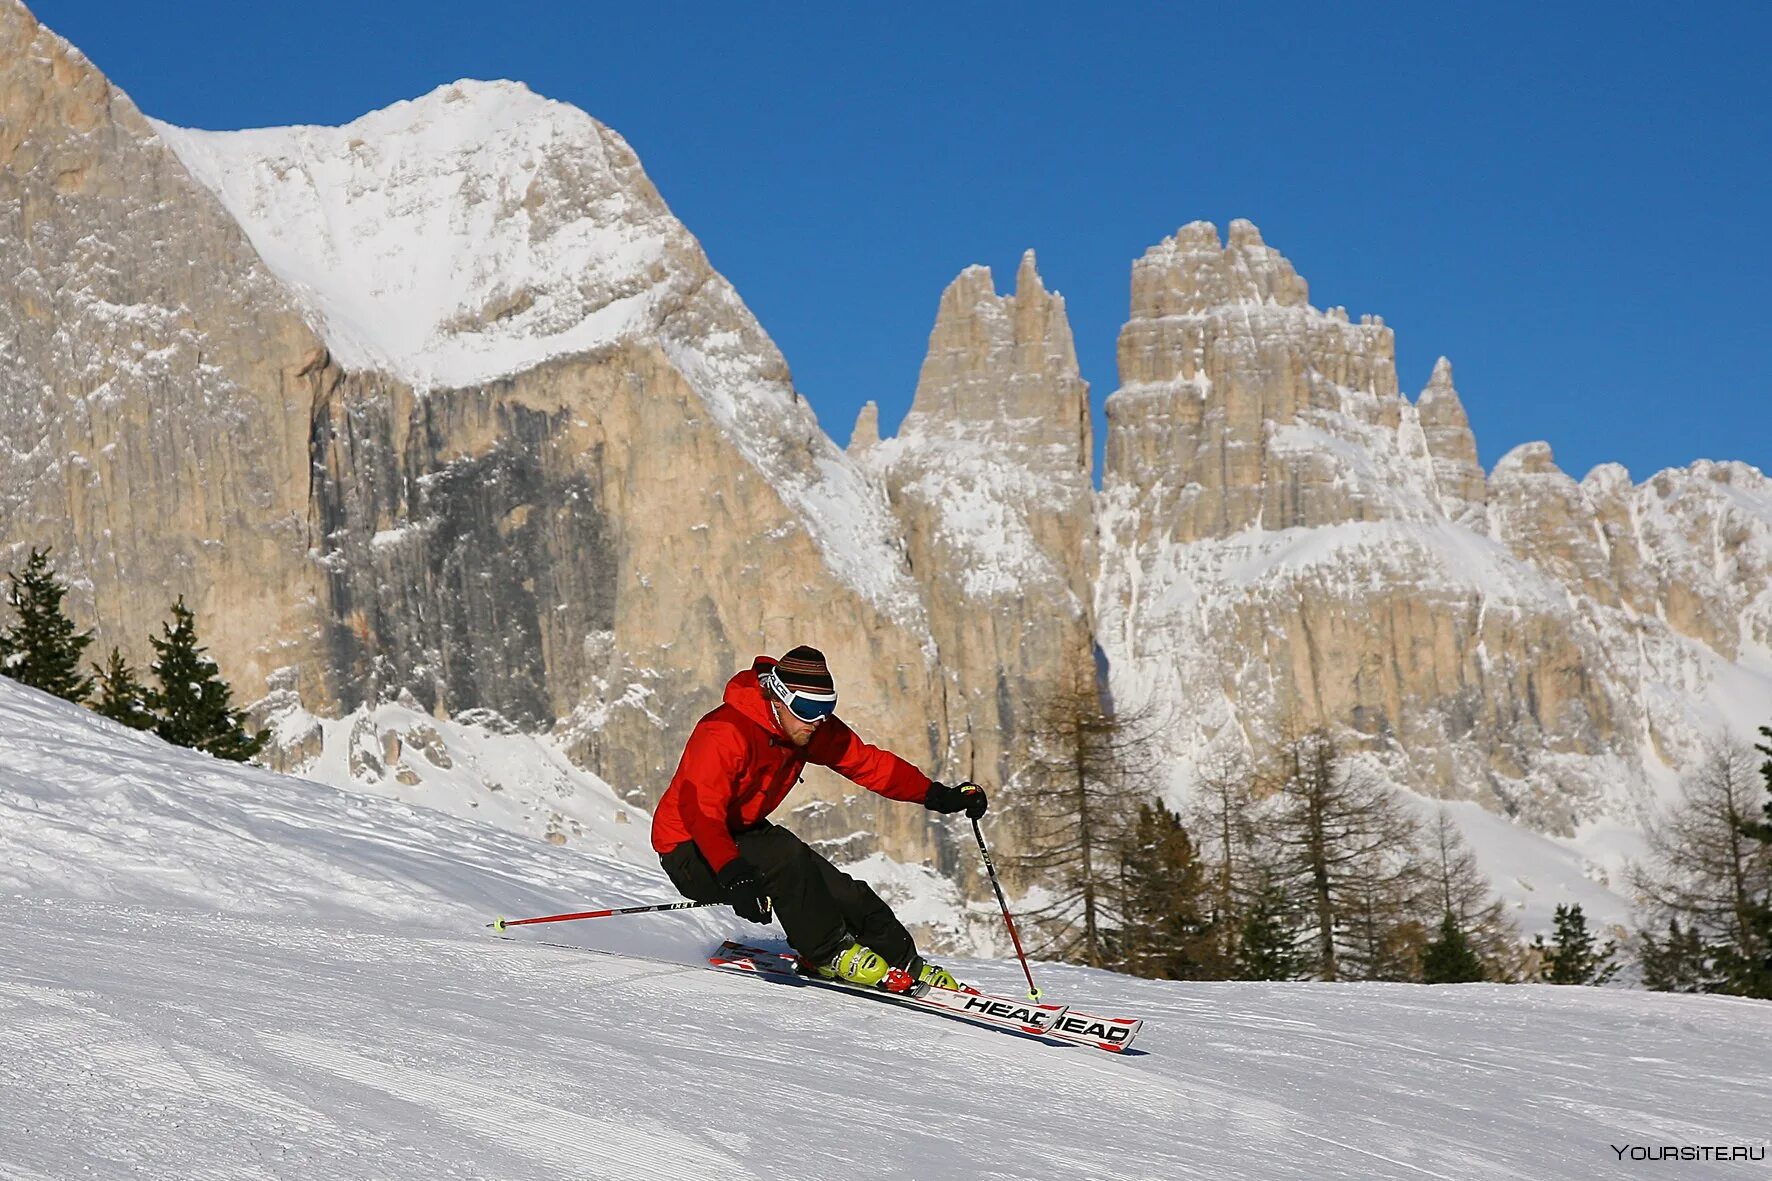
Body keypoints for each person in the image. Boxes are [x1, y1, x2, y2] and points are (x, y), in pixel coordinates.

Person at [651, 645, 988, 992]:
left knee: (838, 888)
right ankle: (827, 953)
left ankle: (903, 960)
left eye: (827, 709)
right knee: (785, 856)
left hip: (742, 833)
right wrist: (734, 874)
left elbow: (868, 764)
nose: (817, 722)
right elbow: (702, 814)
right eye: (808, 709)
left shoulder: (805, 727)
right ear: (778, 699)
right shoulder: (724, 733)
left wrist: (938, 795)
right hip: (691, 848)